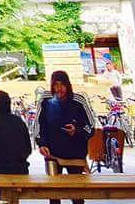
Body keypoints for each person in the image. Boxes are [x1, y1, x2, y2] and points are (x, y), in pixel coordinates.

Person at [34, 70, 96, 204]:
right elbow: (39, 124)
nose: (59, 89)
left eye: (62, 85)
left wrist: (77, 130)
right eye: (55, 85)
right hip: (52, 154)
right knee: (54, 193)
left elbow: (91, 126)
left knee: (77, 195)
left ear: (68, 85)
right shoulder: (45, 100)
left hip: (75, 155)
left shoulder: (78, 100)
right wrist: (42, 143)